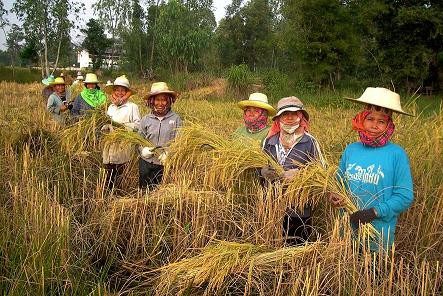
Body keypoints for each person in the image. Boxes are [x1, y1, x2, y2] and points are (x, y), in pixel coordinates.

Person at [329, 87, 414, 252]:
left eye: (381, 121)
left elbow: (405, 196)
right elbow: (338, 182)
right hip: (347, 229)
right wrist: (333, 194)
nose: (374, 125)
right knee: (347, 271)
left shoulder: (396, 154)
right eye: (370, 119)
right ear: (362, 119)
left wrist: (374, 212)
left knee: (373, 274)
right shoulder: (351, 150)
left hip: (378, 233)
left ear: (389, 125)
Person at [261, 96, 324, 246]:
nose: (289, 118)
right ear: (278, 118)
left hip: (299, 208)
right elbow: (260, 165)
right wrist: (263, 171)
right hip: (273, 205)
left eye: (294, 114)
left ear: (301, 116)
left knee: (297, 247)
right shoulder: (269, 141)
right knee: (273, 244)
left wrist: (301, 174)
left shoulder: (310, 142)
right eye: (285, 114)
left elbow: (322, 172)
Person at [138, 82, 182, 190]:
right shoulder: (145, 119)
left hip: (164, 163)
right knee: (145, 193)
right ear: (152, 101)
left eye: (163, 100)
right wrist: (142, 150)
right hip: (146, 163)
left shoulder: (176, 119)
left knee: (161, 194)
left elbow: (180, 141)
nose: (160, 103)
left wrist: (169, 154)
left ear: (168, 101)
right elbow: (139, 140)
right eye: (157, 100)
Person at [101, 75, 141, 191]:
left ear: (127, 93)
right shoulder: (111, 107)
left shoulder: (132, 107)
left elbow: (138, 125)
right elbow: (106, 123)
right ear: (113, 91)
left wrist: (123, 128)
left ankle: (120, 194)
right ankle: (108, 195)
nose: (120, 93)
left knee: (121, 172)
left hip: (123, 145)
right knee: (109, 173)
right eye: (117, 90)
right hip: (109, 145)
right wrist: (105, 127)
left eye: (123, 90)